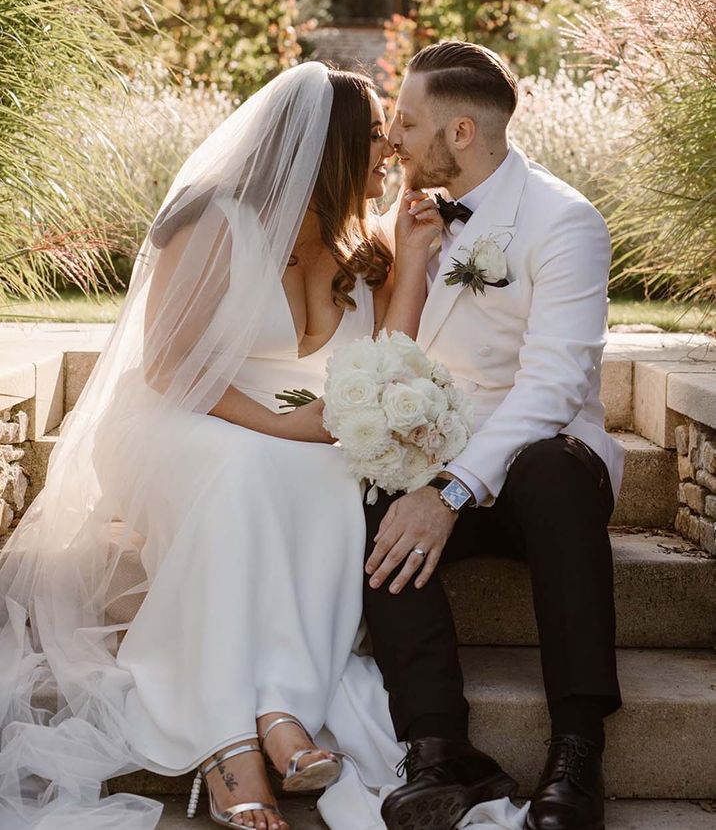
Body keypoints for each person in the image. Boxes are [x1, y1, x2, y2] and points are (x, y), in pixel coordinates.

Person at [0, 61, 441, 830]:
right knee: (244, 469)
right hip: (181, 418)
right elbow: (169, 366)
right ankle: (229, 738)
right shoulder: (214, 220)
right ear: (329, 145)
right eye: (375, 137)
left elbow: (388, 365)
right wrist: (279, 425)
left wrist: (410, 258)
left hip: (287, 428)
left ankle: (276, 704)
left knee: (339, 479)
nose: (390, 153)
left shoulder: (362, 247)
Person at [362, 40, 625, 830]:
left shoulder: (565, 221)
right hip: (446, 459)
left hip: (546, 478)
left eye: (407, 123)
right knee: (378, 499)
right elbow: (390, 357)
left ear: (463, 131)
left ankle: (576, 752)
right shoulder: (409, 215)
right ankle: (441, 750)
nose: (392, 138)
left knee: (548, 468)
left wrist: (450, 489)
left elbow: (553, 387)